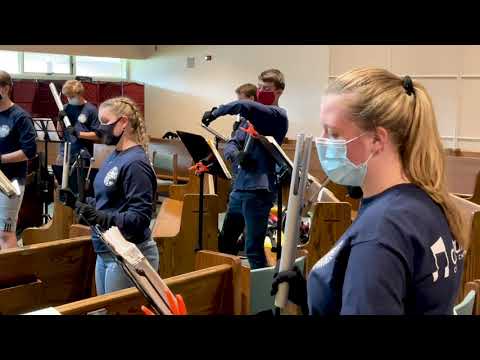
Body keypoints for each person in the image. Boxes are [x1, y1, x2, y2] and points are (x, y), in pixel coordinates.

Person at [272, 67, 466, 315]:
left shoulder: (381, 231)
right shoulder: (426, 201)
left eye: (333, 133)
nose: (322, 140)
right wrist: (316, 295)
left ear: (377, 139)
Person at [60, 97, 159, 295]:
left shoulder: (136, 163)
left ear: (123, 122)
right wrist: (80, 204)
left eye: (105, 121)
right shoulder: (115, 155)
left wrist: (101, 217)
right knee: (103, 309)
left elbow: (139, 218)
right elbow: (109, 201)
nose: (100, 127)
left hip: (129, 251)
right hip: (106, 248)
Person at [202, 69, 288, 269]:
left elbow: (244, 104)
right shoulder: (248, 120)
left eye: (266, 89)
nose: (260, 91)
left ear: (280, 91)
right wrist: (237, 155)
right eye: (259, 87)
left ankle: (262, 296)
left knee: (253, 249)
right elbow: (232, 143)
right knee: (226, 242)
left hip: (259, 190)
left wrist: (216, 112)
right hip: (240, 187)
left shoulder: (276, 115)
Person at [0, 70, 37, 249]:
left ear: (5, 89)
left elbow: (29, 151)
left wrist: (1, 159)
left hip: (11, 181)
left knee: (6, 233)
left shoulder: (20, 117)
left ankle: (12, 276)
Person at [219, 83, 257, 255]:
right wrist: (234, 153)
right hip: (238, 180)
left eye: (241, 101)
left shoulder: (261, 122)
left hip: (252, 186)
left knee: (249, 238)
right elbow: (231, 145)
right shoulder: (243, 122)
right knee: (227, 236)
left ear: (252, 99)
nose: (239, 105)